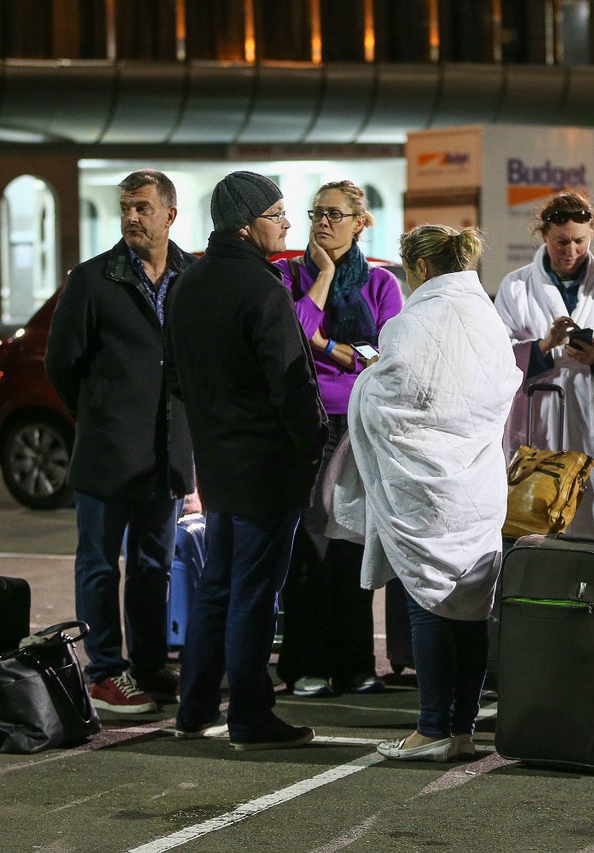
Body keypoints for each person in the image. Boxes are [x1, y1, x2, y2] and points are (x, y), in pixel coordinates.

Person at [343, 224, 521, 762]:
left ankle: (430, 729)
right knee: (470, 606)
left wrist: (368, 380)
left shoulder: (412, 322)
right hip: (478, 480)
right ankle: (462, 731)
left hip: (425, 486)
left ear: (419, 269)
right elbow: (498, 388)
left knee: (426, 602)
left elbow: (399, 395)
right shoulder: (489, 319)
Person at [169, 171, 328, 751]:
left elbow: (175, 377)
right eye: (277, 212)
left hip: (217, 462)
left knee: (218, 587)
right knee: (254, 594)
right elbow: (292, 383)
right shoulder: (262, 289)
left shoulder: (188, 284)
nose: (288, 223)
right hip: (266, 465)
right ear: (246, 222)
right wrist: (311, 448)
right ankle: (251, 716)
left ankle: (195, 707)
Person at [44, 169, 195, 715]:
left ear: (170, 215)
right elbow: (60, 362)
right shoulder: (92, 279)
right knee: (100, 565)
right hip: (108, 451)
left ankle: (151, 665)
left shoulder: (189, 276)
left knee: (156, 567)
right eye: (127, 207)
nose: (132, 216)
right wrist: (97, 415)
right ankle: (105, 671)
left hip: (166, 455)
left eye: (143, 208)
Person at [275, 179, 404, 699]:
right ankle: (304, 665)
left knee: (353, 545)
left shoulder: (381, 284)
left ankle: (354, 665)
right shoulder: (288, 273)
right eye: (316, 213)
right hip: (307, 424)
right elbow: (292, 331)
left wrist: (326, 345)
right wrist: (323, 276)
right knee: (309, 547)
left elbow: (385, 358)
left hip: (358, 425)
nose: (322, 222)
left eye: (334, 214)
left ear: (359, 222)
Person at [494, 191, 594, 541]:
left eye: (580, 242)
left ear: (592, 236)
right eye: (561, 242)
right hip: (542, 426)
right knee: (543, 529)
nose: (570, 251)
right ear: (543, 236)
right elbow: (495, 354)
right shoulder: (516, 286)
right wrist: (542, 347)